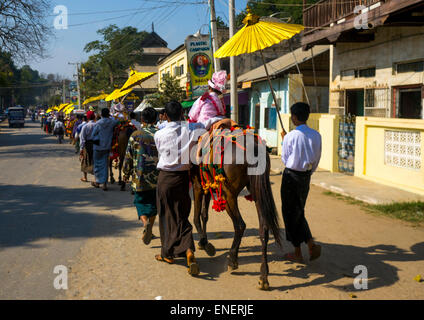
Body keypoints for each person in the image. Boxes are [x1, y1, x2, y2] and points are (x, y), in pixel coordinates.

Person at [154, 101, 206, 276]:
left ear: (166, 116)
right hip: (183, 178)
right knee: (182, 213)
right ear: (182, 114)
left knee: (166, 214)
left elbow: (160, 152)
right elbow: (204, 126)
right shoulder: (192, 129)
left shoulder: (159, 134)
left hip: (165, 178)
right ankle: (188, 250)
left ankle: (168, 253)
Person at [280, 102, 322, 263]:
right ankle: (310, 243)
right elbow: (317, 158)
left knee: (290, 213)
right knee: (299, 211)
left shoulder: (291, 136)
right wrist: (309, 173)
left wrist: (285, 140)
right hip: (306, 177)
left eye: (292, 116)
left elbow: (285, 158)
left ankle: (297, 251)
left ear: (295, 117)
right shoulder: (316, 135)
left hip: (291, 177)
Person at [123, 107, 159, 245]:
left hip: (140, 176)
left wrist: (125, 173)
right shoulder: (161, 133)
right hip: (157, 176)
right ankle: (150, 225)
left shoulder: (136, 135)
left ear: (142, 119)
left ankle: (145, 223)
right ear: (155, 119)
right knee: (154, 203)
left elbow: (128, 156)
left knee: (140, 201)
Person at [91, 108, 118, 191]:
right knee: (105, 165)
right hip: (107, 146)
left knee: (97, 165)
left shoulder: (98, 123)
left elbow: (93, 134)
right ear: (108, 114)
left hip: (98, 146)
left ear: (101, 114)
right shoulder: (112, 122)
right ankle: (105, 184)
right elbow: (118, 121)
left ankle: (98, 182)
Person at [79, 111, 96, 183]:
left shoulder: (85, 126)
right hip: (96, 144)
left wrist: (81, 148)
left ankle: (85, 177)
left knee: (85, 160)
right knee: (95, 160)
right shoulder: (97, 125)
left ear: (88, 117)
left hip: (87, 144)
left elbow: (82, 138)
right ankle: (96, 178)